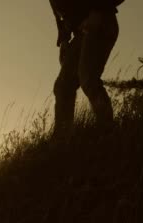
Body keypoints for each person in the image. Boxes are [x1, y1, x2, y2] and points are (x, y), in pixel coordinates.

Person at [50, 0, 123, 137]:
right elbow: (62, 15)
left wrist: (98, 11)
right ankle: (61, 140)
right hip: (82, 33)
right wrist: (64, 40)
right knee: (63, 87)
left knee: (88, 78)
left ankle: (108, 131)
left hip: (102, 22)